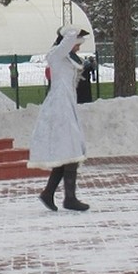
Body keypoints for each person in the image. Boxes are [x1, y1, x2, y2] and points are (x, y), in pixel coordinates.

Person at [29, 26, 91, 212]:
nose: (79, 47)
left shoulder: (67, 58)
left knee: (67, 152)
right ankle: (68, 199)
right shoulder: (56, 55)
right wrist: (70, 30)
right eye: (77, 43)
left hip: (67, 106)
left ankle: (49, 194)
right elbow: (68, 38)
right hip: (58, 109)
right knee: (70, 149)